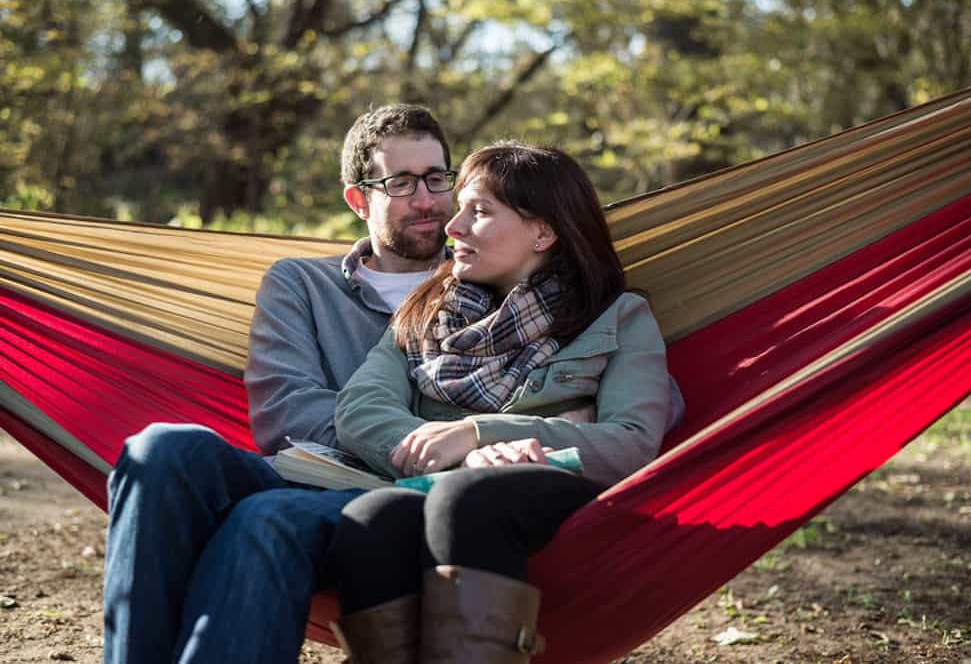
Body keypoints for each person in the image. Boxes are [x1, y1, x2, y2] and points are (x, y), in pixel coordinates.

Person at [101, 104, 455, 664]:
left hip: (400, 504)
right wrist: (421, 438)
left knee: (263, 518)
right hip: (299, 476)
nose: (427, 199)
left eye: (437, 178)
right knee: (159, 450)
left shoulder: (486, 281)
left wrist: (436, 444)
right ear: (358, 198)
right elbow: (285, 414)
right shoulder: (301, 284)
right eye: (402, 183)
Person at [327, 142, 685, 663]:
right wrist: (463, 455)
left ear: (543, 231)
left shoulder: (618, 317)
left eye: (481, 212)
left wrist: (482, 433)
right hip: (435, 482)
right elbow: (360, 411)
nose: (454, 227)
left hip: (556, 494)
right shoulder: (428, 311)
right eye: (463, 208)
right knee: (370, 518)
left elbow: (631, 443)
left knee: (468, 500)